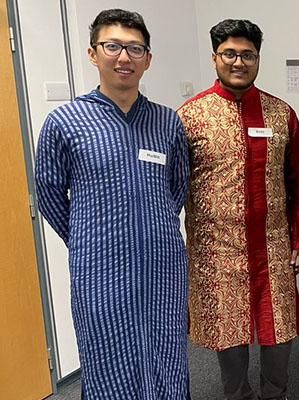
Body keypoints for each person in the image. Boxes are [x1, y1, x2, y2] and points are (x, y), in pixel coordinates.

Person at [35, 9, 190, 399]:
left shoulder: (167, 122)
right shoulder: (65, 122)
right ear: (93, 54)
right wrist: (90, 236)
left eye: (135, 48)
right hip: (99, 268)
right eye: (113, 46)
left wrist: (153, 225)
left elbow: (177, 185)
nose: (125, 57)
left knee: (167, 348)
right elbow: (50, 192)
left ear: (148, 59)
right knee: (107, 354)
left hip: (163, 265)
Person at [177, 19, 299, 400]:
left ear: (258, 58)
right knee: (227, 330)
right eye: (230, 54)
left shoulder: (280, 114)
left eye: (247, 54)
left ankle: (275, 394)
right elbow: (170, 186)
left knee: (278, 327)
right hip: (216, 249)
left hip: (273, 245)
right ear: (215, 57)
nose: (239, 62)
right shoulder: (190, 116)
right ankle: (237, 395)